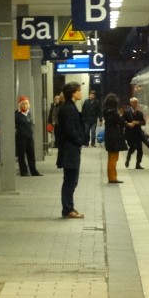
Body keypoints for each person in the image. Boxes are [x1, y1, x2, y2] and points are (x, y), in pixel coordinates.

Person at [56, 82, 86, 219]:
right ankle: (68, 209)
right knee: (70, 180)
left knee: (72, 180)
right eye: (79, 91)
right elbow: (70, 130)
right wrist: (80, 141)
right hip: (69, 149)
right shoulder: (68, 109)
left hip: (71, 148)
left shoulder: (70, 107)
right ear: (73, 93)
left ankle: (69, 207)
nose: (81, 93)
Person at [102, 93, 127, 184]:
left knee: (110, 158)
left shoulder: (105, 111)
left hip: (109, 136)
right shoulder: (113, 112)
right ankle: (113, 177)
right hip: (115, 137)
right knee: (114, 158)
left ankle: (111, 176)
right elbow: (122, 122)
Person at [14, 96, 42, 177]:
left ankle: (34, 171)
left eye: (26, 104)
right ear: (20, 105)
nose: (24, 105)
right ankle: (24, 171)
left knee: (31, 154)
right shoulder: (17, 114)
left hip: (29, 137)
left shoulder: (28, 113)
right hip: (21, 137)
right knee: (21, 155)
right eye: (23, 104)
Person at [123, 97, 146, 169]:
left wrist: (137, 122)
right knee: (132, 147)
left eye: (136, 102)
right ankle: (128, 159)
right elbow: (122, 121)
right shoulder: (126, 112)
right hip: (129, 133)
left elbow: (143, 122)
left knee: (140, 149)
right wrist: (128, 123)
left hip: (138, 133)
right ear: (131, 103)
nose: (135, 104)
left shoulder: (139, 113)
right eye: (134, 102)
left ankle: (138, 164)